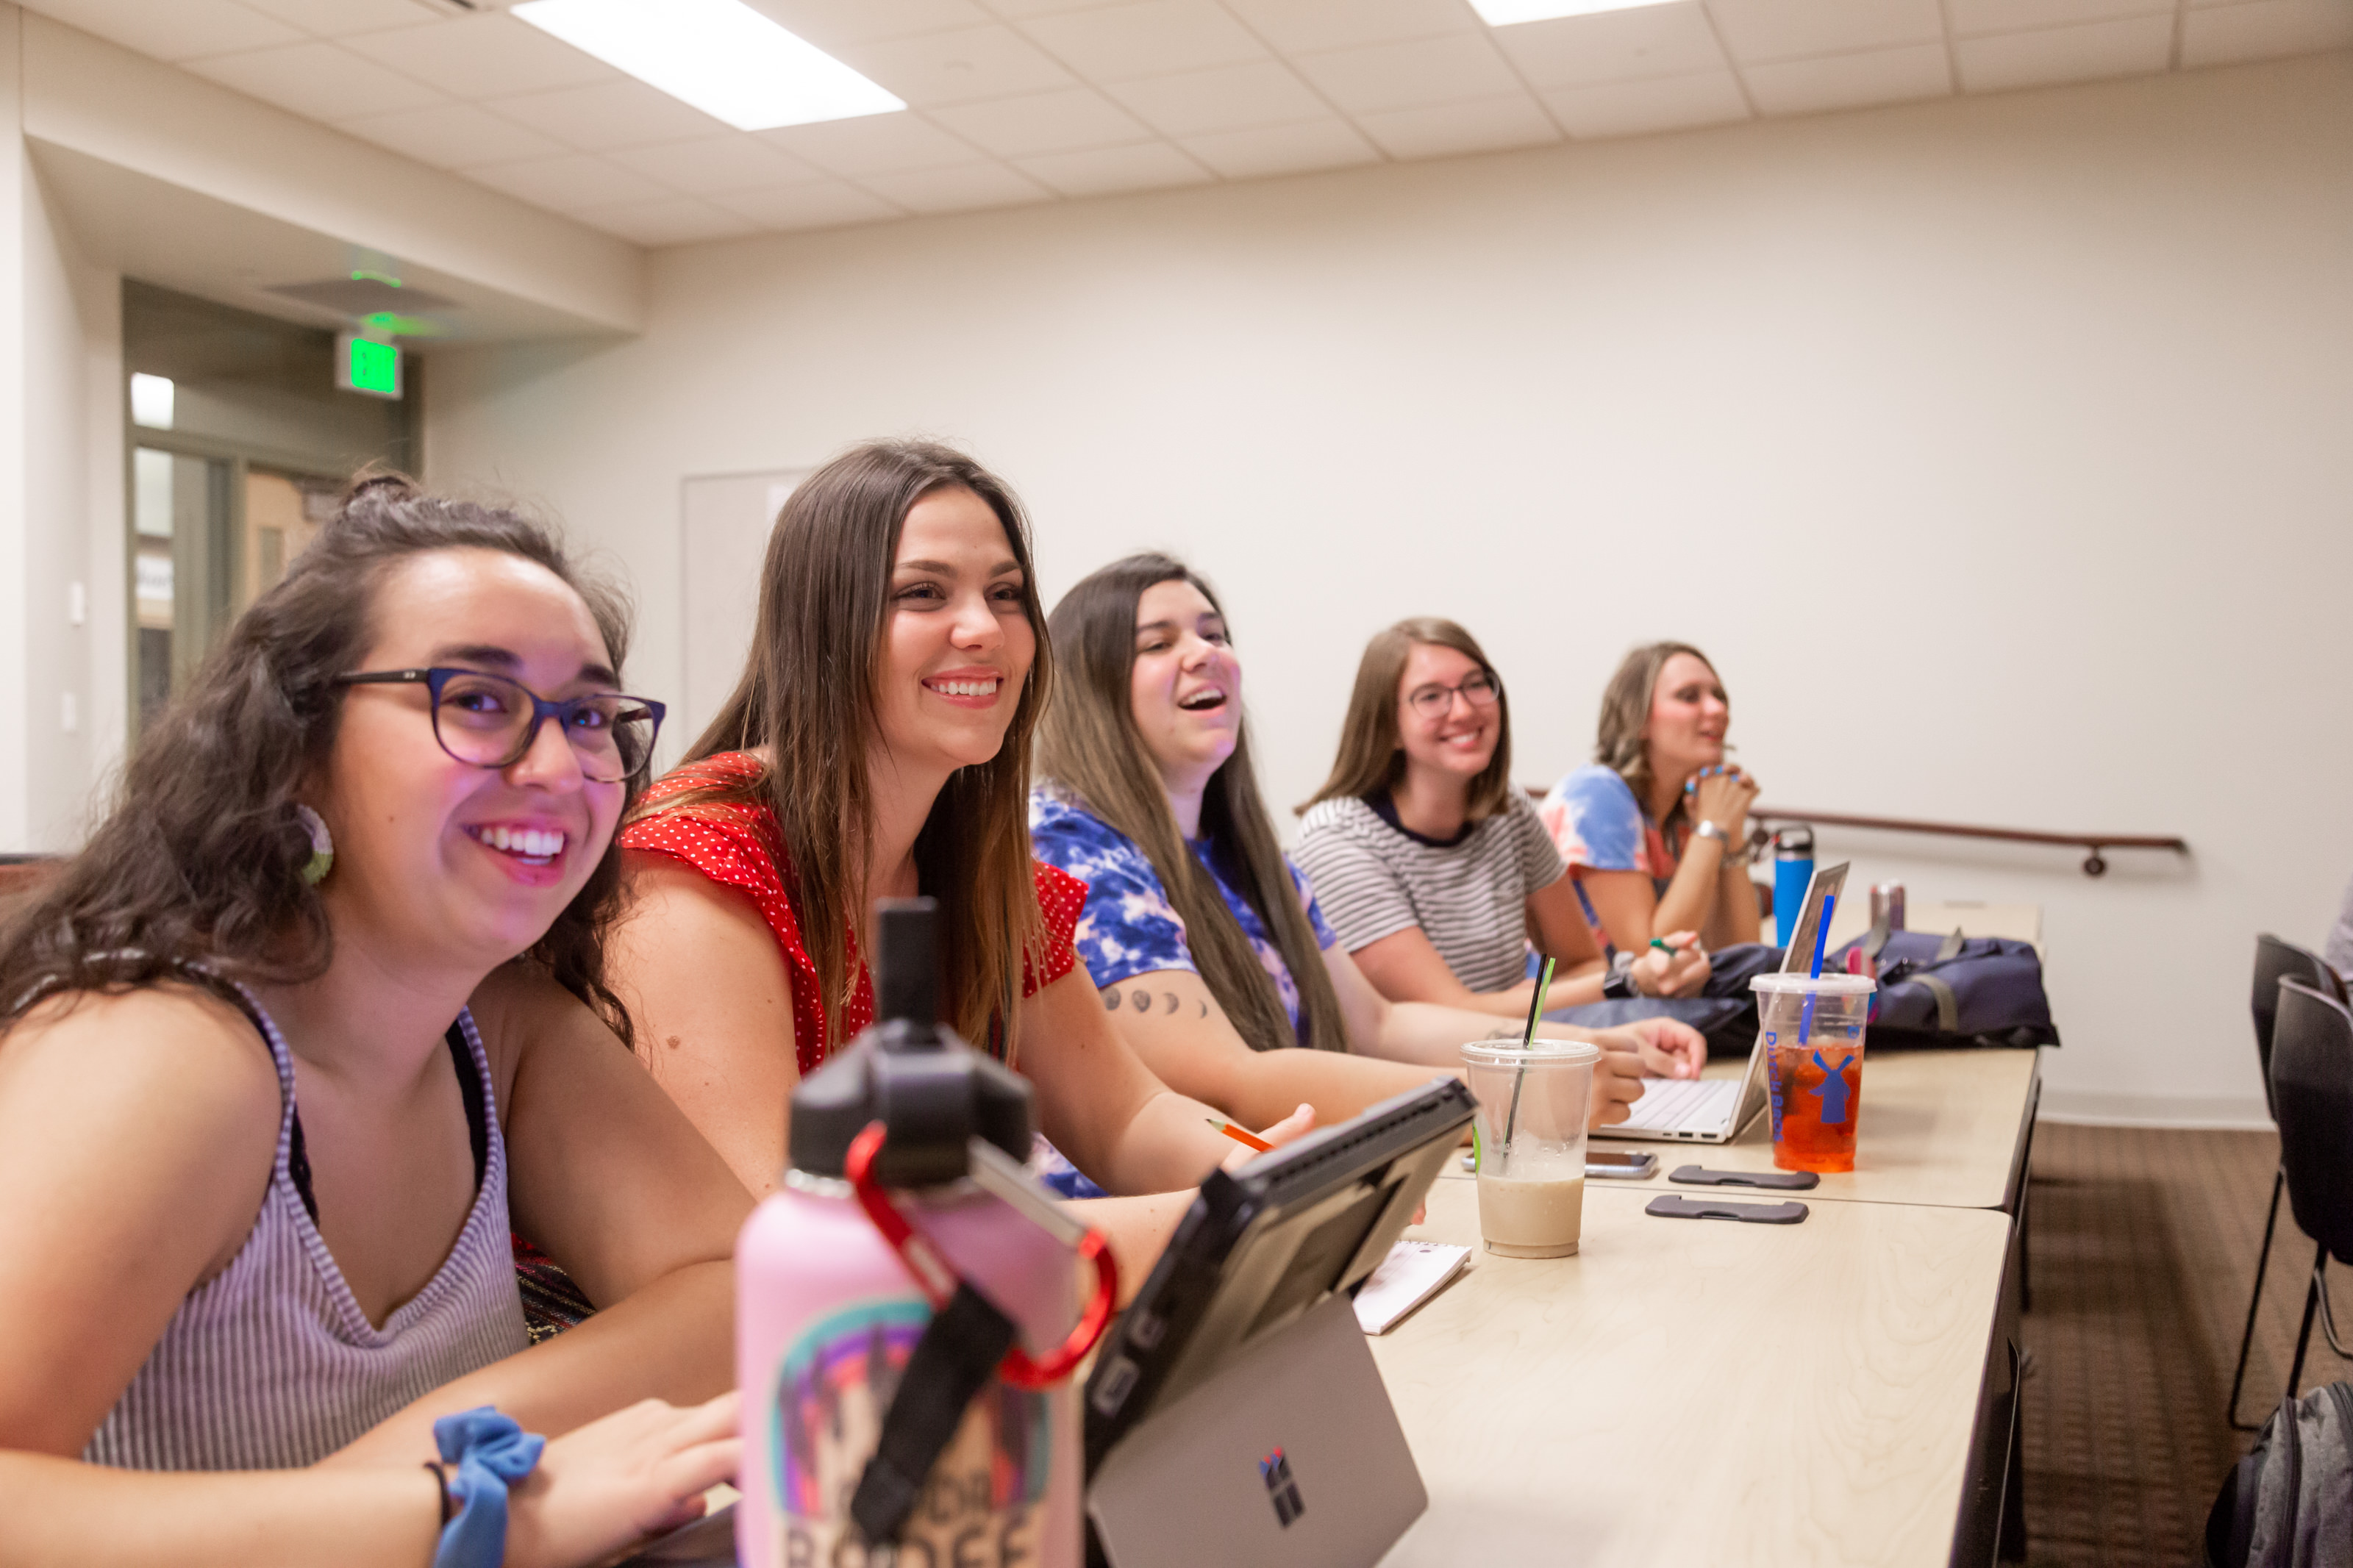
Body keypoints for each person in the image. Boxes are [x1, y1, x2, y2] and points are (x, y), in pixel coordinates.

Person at [0, 479, 746, 1564]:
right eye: (478, 700)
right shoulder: (164, 1051)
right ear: (296, 746)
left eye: (588, 715)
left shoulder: (495, 1022)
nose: (556, 767)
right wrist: (474, 1505)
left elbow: (741, 1291)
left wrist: (449, 1453)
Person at [606, 444, 1309, 1292]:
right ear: (825, 624)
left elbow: (1126, 1116)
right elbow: (791, 1240)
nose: (982, 629)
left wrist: (1277, 1171)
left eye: (1005, 594)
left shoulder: (978, 858)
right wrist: (1229, 1217)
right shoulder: (694, 858)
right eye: (922, 593)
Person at [1030, 557, 1704, 1134]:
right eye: (1158, 643)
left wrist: (1580, 1046)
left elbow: (1379, 1025)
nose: (1206, 653)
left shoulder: (1253, 857)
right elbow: (1226, 1083)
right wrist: (1514, 1093)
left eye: (1215, 634)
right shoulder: (1070, 845)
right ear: (1092, 687)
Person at [1294, 617, 1710, 1020]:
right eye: (1431, 696)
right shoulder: (1338, 839)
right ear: (1388, 728)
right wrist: (1628, 979)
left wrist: (1540, 996)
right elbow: (1448, 1014)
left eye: (1476, 685)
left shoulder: (1506, 806)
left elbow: (1581, 963)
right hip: (1421, 1074)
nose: (1463, 710)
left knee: (1742, 975)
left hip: (1523, 1045)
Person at [1541, 642, 1765, 955]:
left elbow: (1739, 954)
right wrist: (1713, 828)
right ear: (1639, 719)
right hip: (1552, 1001)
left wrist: (1731, 829)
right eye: (1689, 696)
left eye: (1720, 697)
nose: (1718, 710)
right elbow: (1653, 954)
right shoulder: (1597, 795)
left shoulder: (1681, 811)